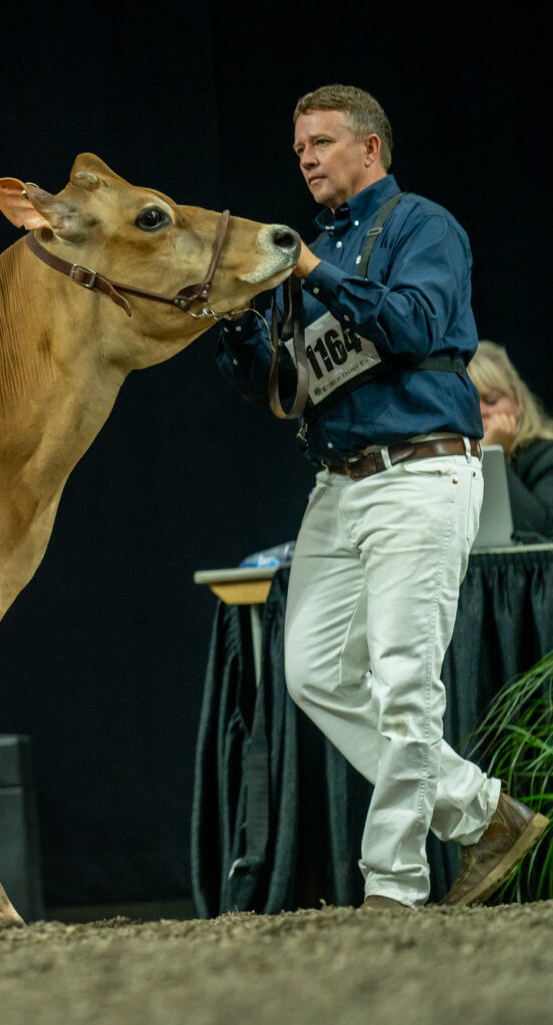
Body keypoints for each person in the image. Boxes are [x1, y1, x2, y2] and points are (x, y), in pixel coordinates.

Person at [216, 84, 548, 910]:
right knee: (314, 671)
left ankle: (392, 887)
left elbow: (414, 325)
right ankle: (484, 812)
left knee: (404, 681)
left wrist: (313, 272)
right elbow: (281, 390)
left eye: (321, 142)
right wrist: (234, 324)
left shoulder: (420, 226)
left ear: (370, 148)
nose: (306, 158)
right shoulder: (309, 257)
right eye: (299, 147)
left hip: (421, 469)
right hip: (338, 482)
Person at [468, 341, 553, 539]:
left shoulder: (547, 455)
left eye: (491, 401)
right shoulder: (450, 462)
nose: (481, 411)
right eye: (470, 404)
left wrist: (489, 456)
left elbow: (540, 531)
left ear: (518, 403)